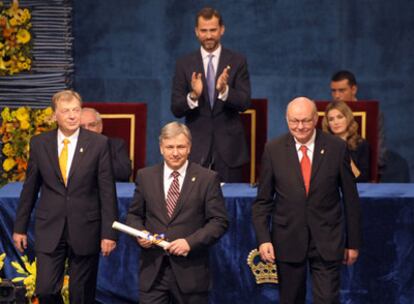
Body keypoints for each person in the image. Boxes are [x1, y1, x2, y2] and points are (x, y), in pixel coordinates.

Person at [252, 97, 361, 304]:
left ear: (316, 119)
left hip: (327, 240)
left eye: (305, 121)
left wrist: (353, 243)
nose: (300, 127)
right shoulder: (273, 150)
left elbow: (351, 199)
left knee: (327, 299)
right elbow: (263, 201)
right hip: (288, 240)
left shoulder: (336, 148)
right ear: (286, 120)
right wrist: (264, 239)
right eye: (294, 121)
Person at [13, 90, 118, 304]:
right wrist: (19, 227)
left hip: (86, 228)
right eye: (65, 111)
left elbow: (107, 192)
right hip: (50, 227)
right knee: (45, 291)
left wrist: (109, 233)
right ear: (54, 116)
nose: (72, 116)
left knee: (81, 296)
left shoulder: (98, 144)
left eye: (76, 110)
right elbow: (30, 188)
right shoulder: (39, 143)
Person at [126, 121, 228, 304]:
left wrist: (190, 242)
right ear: (161, 148)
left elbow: (218, 222)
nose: (175, 153)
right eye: (169, 147)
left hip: (191, 274)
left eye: (180, 147)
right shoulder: (145, 176)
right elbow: (134, 215)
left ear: (189, 147)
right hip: (153, 273)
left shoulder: (207, 178)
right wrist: (139, 233)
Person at [171, 7, 251, 183]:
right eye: (204, 31)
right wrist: (193, 95)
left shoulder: (237, 61)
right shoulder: (184, 64)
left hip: (230, 151)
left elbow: (245, 103)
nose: (208, 35)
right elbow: (176, 108)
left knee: (231, 205)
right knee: (194, 208)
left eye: (213, 30)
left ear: (222, 30)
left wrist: (225, 91)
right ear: (196, 32)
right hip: (196, 150)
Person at [330, 70, 387, 179]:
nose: (337, 95)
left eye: (341, 90)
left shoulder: (373, 113)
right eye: (333, 91)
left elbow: (380, 151)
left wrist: (373, 176)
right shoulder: (327, 112)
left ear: (354, 89)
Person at [322, 101, 371, 182]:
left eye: (340, 117)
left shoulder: (361, 144)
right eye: (331, 119)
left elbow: (362, 179)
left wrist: (343, 152)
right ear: (328, 123)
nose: (336, 122)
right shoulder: (322, 144)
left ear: (348, 118)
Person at [80, 107, 132, 182]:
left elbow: (124, 172)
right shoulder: (70, 146)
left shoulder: (116, 145)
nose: (87, 129)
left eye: (92, 125)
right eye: (82, 126)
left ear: (100, 127)